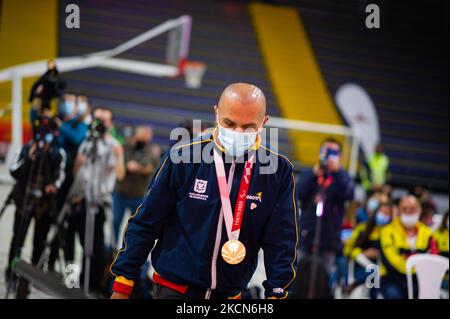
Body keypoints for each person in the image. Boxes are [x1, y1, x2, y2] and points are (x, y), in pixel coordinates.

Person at [110, 83, 298, 299]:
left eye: (248, 127)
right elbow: (146, 222)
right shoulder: (182, 156)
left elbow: (282, 242)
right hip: (174, 290)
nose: (237, 132)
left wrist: (277, 294)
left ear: (264, 123)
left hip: (230, 296)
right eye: (229, 123)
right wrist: (123, 283)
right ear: (216, 112)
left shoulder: (279, 172)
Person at [5, 116, 66, 293]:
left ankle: (31, 279)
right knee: (17, 240)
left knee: (40, 243)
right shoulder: (26, 148)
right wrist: (29, 158)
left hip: (45, 207)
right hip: (24, 201)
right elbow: (13, 171)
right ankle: (11, 275)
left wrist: (53, 186)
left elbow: (59, 179)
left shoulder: (57, 153)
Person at [68, 106, 125, 295]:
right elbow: (78, 172)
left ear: (110, 124)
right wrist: (78, 163)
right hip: (81, 199)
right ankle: (78, 279)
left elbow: (120, 174)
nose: (100, 123)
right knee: (82, 244)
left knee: (96, 246)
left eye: (104, 120)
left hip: (100, 202)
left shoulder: (113, 145)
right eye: (97, 119)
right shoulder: (87, 141)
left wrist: (118, 157)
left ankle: (93, 285)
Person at [297, 138, 355, 280]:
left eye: (333, 152)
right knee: (298, 278)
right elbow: (298, 193)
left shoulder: (343, 176)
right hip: (306, 235)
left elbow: (349, 194)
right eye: (326, 151)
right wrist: (313, 174)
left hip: (329, 239)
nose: (329, 155)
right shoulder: (310, 173)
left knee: (323, 280)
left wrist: (338, 172)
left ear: (340, 156)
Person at [379, 195, 436, 299]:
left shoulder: (428, 233)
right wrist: (415, 265)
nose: (408, 211)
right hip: (393, 279)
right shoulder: (387, 231)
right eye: (404, 209)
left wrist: (410, 260)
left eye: (413, 209)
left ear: (419, 210)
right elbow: (391, 260)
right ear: (398, 210)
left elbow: (433, 258)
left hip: (420, 280)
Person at [113, 125, 160, 245]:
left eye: (147, 137)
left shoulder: (152, 150)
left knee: (136, 227)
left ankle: (130, 251)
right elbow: (124, 164)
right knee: (115, 223)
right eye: (142, 136)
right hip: (121, 193)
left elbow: (150, 168)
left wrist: (137, 167)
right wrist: (138, 167)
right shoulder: (126, 146)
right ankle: (111, 252)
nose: (145, 139)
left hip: (139, 195)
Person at [344, 201, 394, 298]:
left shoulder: (390, 233)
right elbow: (348, 250)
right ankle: (355, 285)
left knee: (376, 276)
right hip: (362, 265)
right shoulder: (362, 228)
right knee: (373, 273)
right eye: (382, 212)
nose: (383, 215)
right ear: (376, 212)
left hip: (382, 268)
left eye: (387, 214)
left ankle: (354, 285)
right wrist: (363, 253)